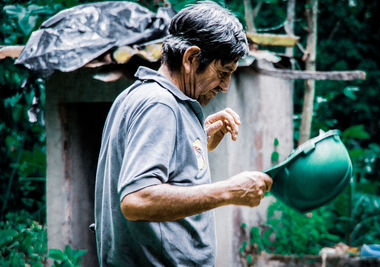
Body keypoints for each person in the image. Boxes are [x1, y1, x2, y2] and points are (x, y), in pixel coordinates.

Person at [94, 1, 273, 266]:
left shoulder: (136, 96)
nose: (225, 87)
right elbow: (137, 200)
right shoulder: (160, 105)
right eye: (223, 73)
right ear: (190, 59)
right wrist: (230, 191)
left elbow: (161, 171)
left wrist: (199, 142)